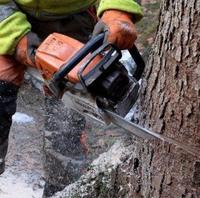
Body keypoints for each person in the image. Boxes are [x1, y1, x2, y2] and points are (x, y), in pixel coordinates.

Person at [0, 0, 142, 177]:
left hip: (75, 15)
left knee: (66, 123)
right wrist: (12, 35)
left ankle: (61, 185)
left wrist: (119, 9)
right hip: (5, 13)